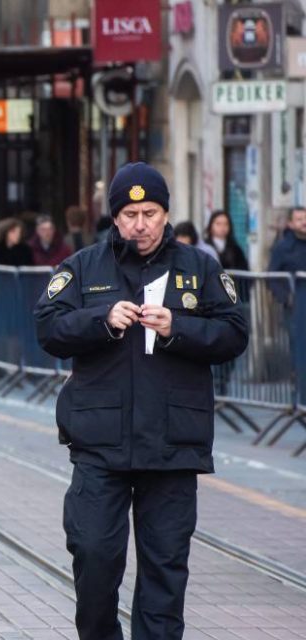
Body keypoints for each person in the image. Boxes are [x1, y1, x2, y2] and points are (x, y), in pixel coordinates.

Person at [34, 162, 248, 640]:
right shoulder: (84, 266)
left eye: (150, 212)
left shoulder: (200, 268)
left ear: (166, 213)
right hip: (100, 444)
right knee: (93, 555)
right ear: (114, 217)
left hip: (173, 445)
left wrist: (180, 328)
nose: (140, 223)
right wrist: (101, 320)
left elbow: (235, 333)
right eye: (129, 213)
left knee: (164, 573)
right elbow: (48, 327)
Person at [268, 207, 306, 274]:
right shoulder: (282, 248)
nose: (304, 222)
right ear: (290, 224)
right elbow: (272, 277)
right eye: (299, 220)